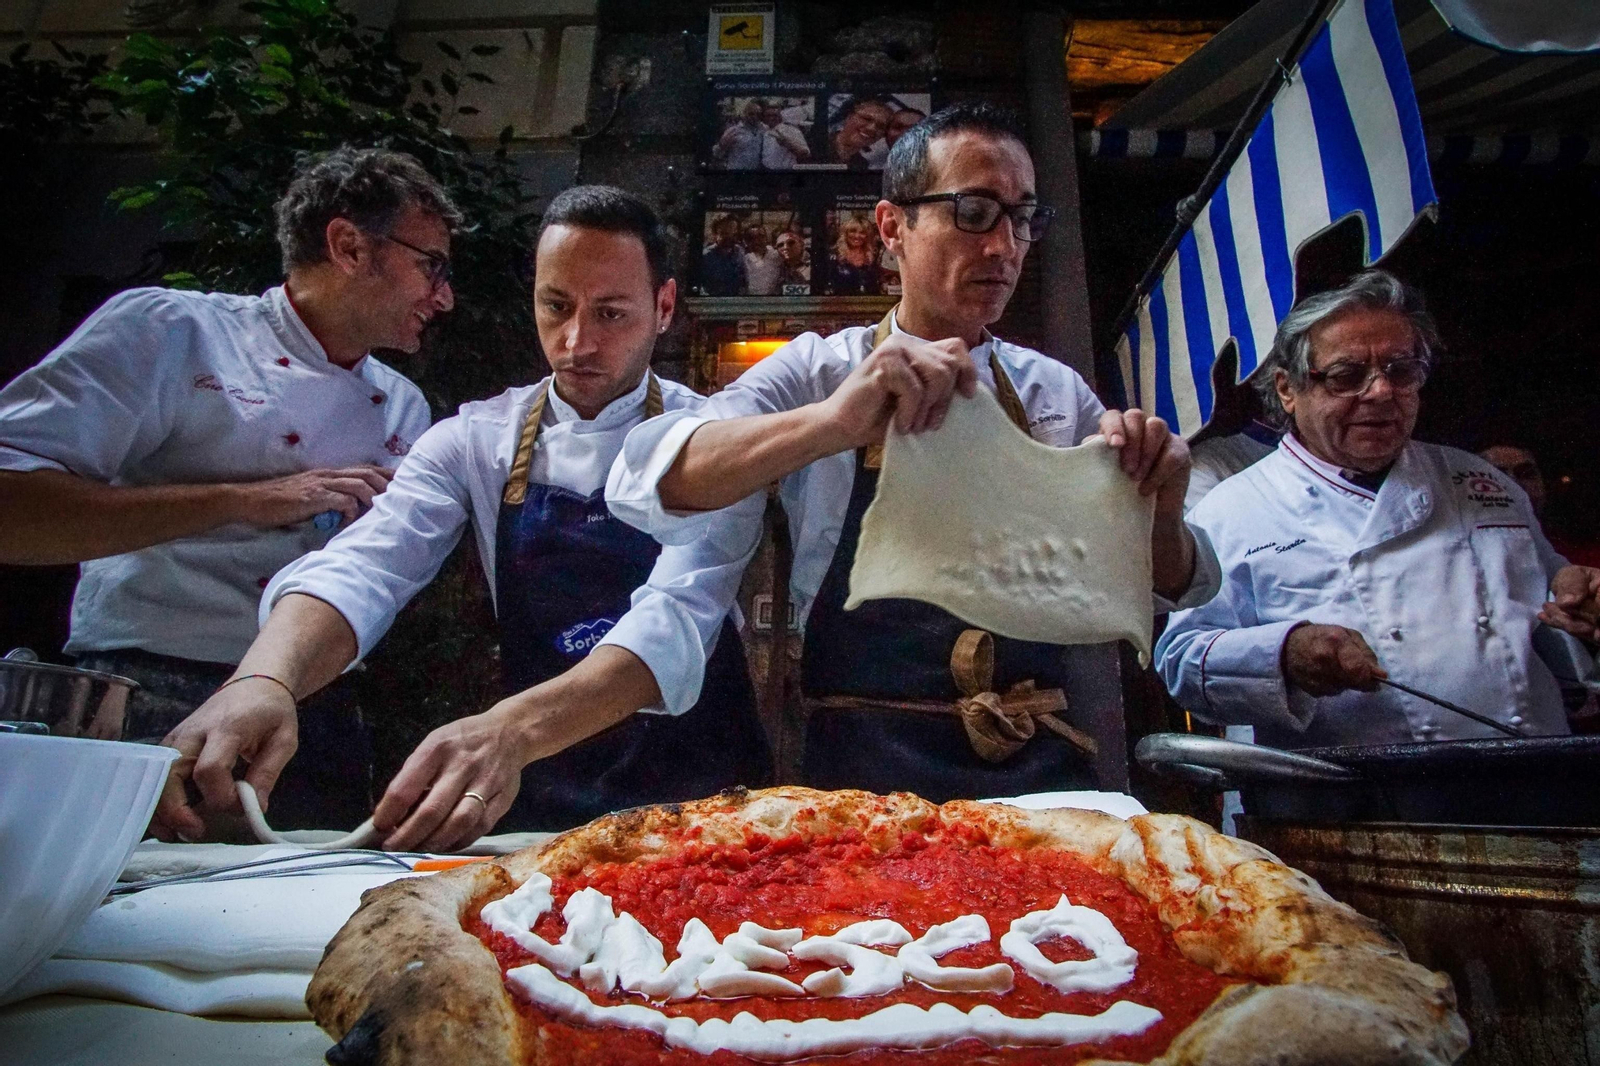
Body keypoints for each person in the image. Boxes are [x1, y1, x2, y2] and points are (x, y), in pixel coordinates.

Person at [608, 103, 1218, 802]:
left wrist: (1160, 509)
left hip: (1036, 776)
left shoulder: (1056, 393)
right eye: (974, 211)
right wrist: (834, 423)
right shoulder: (818, 372)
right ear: (892, 226)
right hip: (862, 775)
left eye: (1022, 218)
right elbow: (656, 476)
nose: (1005, 246)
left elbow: (1154, 584)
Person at [155, 186, 771, 849]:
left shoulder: (716, 441)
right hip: (541, 793)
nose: (576, 342)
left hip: (706, 796)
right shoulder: (478, 439)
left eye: (612, 313)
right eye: (556, 306)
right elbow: (366, 563)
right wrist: (265, 678)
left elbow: (675, 619)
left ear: (665, 309)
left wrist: (508, 730)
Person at [0, 147, 449, 824]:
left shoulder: (406, 407)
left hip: (312, 709)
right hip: (148, 689)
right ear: (349, 245)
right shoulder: (171, 332)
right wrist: (248, 499)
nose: (443, 296)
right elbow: (13, 511)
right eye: (430, 265)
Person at [1156, 270, 1592, 749]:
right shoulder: (1231, 510)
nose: (1381, 392)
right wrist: (1281, 655)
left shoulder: (1480, 482)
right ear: (1287, 388)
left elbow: (1554, 596)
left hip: (1537, 776)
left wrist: (1580, 600)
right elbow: (1181, 658)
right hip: (1365, 800)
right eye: (1348, 376)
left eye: (1401, 371)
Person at [830, 97, 893, 168]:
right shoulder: (817, 143)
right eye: (866, 119)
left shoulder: (862, 164)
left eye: (881, 126)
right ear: (849, 117)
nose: (871, 128)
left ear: (882, 135)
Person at [828, 214, 881, 295]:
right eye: (853, 231)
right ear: (845, 234)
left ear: (867, 236)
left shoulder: (873, 256)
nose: (857, 236)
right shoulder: (835, 256)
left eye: (862, 232)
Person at [700, 214, 748, 296]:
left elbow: (743, 280)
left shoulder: (739, 252)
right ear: (715, 234)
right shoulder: (706, 256)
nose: (729, 237)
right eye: (724, 233)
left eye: (733, 233)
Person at [712, 99, 767, 170]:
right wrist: (721, 146)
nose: (755, 117)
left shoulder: (763, 129)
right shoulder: (733, 131)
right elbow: (716, 154)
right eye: (751, 114)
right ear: (744, 113)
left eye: (758, 114)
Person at [760, 103, 811, 169]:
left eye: (775, 115)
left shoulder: (791, 130)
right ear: (764, 118)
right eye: (768, 115)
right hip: (766, 171)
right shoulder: (765, 130)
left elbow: (806, 154)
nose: (771, 118)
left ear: (780, 116)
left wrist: (787, 144)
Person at [743, 222, 785, 296]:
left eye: (760, 236)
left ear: (766, 238)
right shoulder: (744, 260)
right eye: (752, 238)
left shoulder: (778, 256)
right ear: (746, 241)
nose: (756, 241)